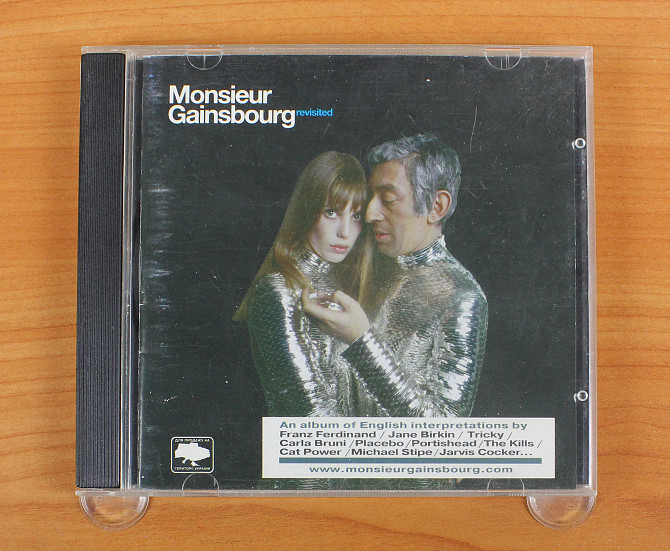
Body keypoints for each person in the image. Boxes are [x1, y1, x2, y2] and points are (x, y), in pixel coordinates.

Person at [303, 134, 488, 418]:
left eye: (388, 199)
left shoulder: (462, 296)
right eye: (371, 197)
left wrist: (361, 341)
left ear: (437, 207)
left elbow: (445, 429)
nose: (369, 214)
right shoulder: (361, 269)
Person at [234, 151, 373, 418]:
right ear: (307, 210)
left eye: (356, 216)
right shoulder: (279, 290)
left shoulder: (346, 285)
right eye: (331, 213)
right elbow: (314, 416)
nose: (345, 232)